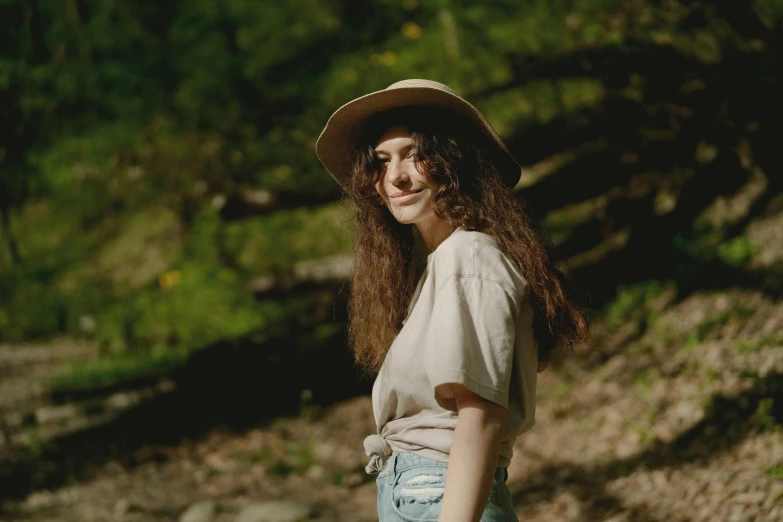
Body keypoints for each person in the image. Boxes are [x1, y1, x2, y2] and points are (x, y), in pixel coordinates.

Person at [315, 79, 589, 522]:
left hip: (438, 496)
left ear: (453, 160)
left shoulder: (469, 256)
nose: (396, 177)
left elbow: (480, 416)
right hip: (420, 494)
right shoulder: (441, 266)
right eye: (382, 162)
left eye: (415, 155)